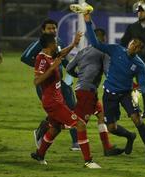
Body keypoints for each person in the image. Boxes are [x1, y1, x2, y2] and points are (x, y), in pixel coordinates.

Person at [84, 12, 145, 161]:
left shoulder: (139, 65)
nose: (133, 46)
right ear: (129, 43)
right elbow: (96, 44)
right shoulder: (116, 50)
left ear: (139, 50)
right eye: (133, 43)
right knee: (111, 128)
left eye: (137, 46)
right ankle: (130, 136)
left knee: (137, 119)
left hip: (127, 94)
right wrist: (88, 22)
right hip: (109, 94)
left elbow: (143, 84)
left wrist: (139, 92)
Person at [31, 33, 100, 168]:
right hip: (52, 103)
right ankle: (88, 161)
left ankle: (39, 154)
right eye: (55, 42)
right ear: (50, 44)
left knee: (55, 128)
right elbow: (36, 81)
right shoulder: (42, 59)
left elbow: (61, 53)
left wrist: (74, 44)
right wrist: (51, 68)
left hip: (58, 100)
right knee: (80, 124)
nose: (57, 44)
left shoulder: (52, 56)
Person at [21, 19, 79, 151]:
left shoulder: (58, 42)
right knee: (57, 112)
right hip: (45, 85)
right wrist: (44, 67)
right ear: (43, 31)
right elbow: (24, 57)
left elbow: (63, 60)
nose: (52, 30)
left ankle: (76, 142)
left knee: (72, 106)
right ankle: (43, 131)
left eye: (54, 28)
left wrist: (75, 73)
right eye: (49, 29)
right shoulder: (40, 44)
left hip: (59, 83)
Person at [66, 28, 124, 156]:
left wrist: (79, 76)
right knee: (77, 122)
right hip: (88, 91)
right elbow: (108, 71)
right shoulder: (104, 52)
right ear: (104, 38)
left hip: (83, 89)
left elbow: (69, 68)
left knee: (101, 115)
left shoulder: (82, 51)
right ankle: (48, 126)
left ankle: (107, 148)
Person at [120, 1, 145, 120]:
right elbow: (123, 42)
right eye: (138, 11)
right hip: (136, 61)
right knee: (143, 85)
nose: (139, 13)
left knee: (144, 85)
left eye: (142, 11)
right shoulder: (132, 27)